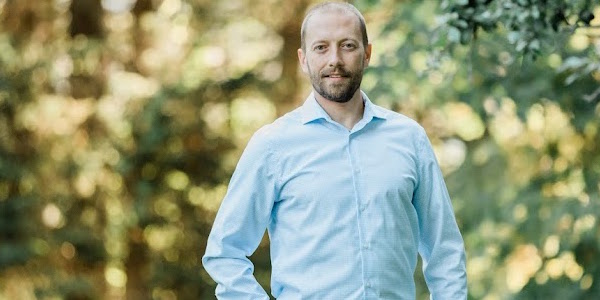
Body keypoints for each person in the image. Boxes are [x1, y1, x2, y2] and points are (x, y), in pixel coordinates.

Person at [202, 2, 467, 299]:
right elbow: (225, 254)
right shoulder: (272, 146)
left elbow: (445, 252)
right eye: (321, 48)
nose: (335, 60)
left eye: (348, 46)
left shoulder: (409, 139)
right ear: (303, 59)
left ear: (367, 54)